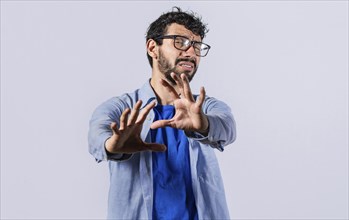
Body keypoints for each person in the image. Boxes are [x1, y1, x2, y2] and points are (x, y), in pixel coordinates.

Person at [88, 7, 236, 220]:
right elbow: (96, 134)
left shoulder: (204, 107)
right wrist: (113, 145)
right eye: (180, 42)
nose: (191, 52)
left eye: (197, 45)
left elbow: (227, 127)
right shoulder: (122, 107)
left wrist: (203, 124)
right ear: (152, 47)